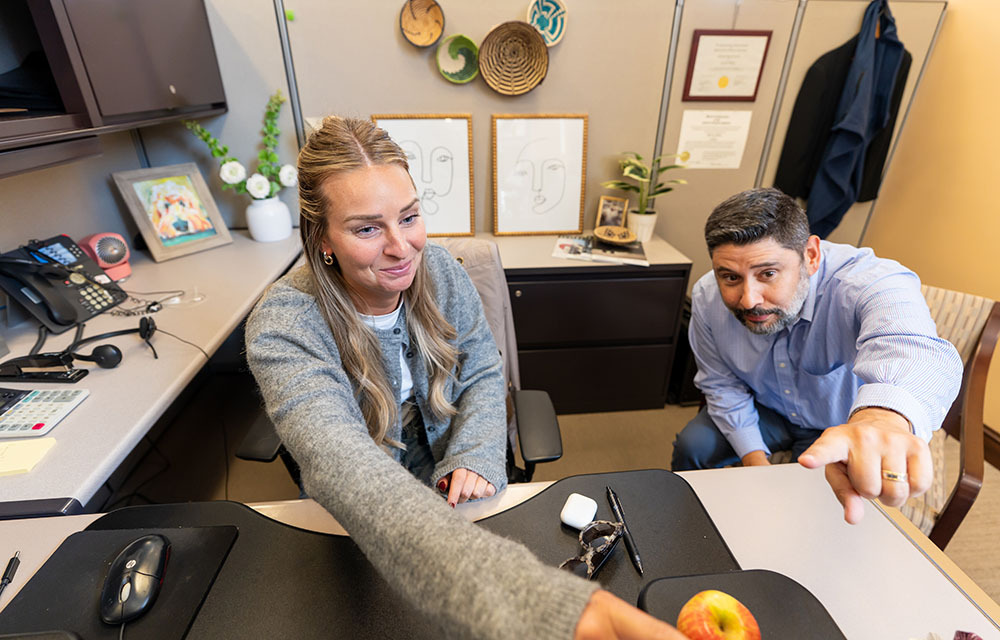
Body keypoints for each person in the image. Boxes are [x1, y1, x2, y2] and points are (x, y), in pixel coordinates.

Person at [246, 116, 684, 640]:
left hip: (460, 478)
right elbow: (342, 462)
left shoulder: (441, 270)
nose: (401, 247)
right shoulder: (285, 322)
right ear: (322, 239)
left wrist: (475, 454)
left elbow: (482, 369)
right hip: (361, 498)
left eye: (409, 217)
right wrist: (543, 608)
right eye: (367, 228)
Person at [672, 187, 963, 524]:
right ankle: (686, 525)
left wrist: (882, 417)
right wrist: (756, 463)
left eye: (768, 274)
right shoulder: (707, 297)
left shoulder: (867, 282)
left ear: (810, 255)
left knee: (817, 513)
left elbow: (911, 346)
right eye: (730, 277)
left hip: (838, 423)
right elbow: (721, 385)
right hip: (765, 408)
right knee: (693, 447)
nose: (749, 299)